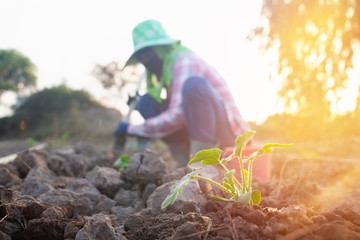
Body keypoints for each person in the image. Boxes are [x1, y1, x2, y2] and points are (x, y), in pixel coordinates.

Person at [114, 19, 251, 167]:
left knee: (193, 85)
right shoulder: (167, 70)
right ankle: (186, 159)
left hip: (229, 137)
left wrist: (132, 129)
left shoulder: (184, 61)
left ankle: (202, 164)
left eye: (149, 54)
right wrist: (137, 106)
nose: (146, 61)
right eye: (142, 58)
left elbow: (177, 115)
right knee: (145, 102)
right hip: (198, 128)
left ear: (162, 48)